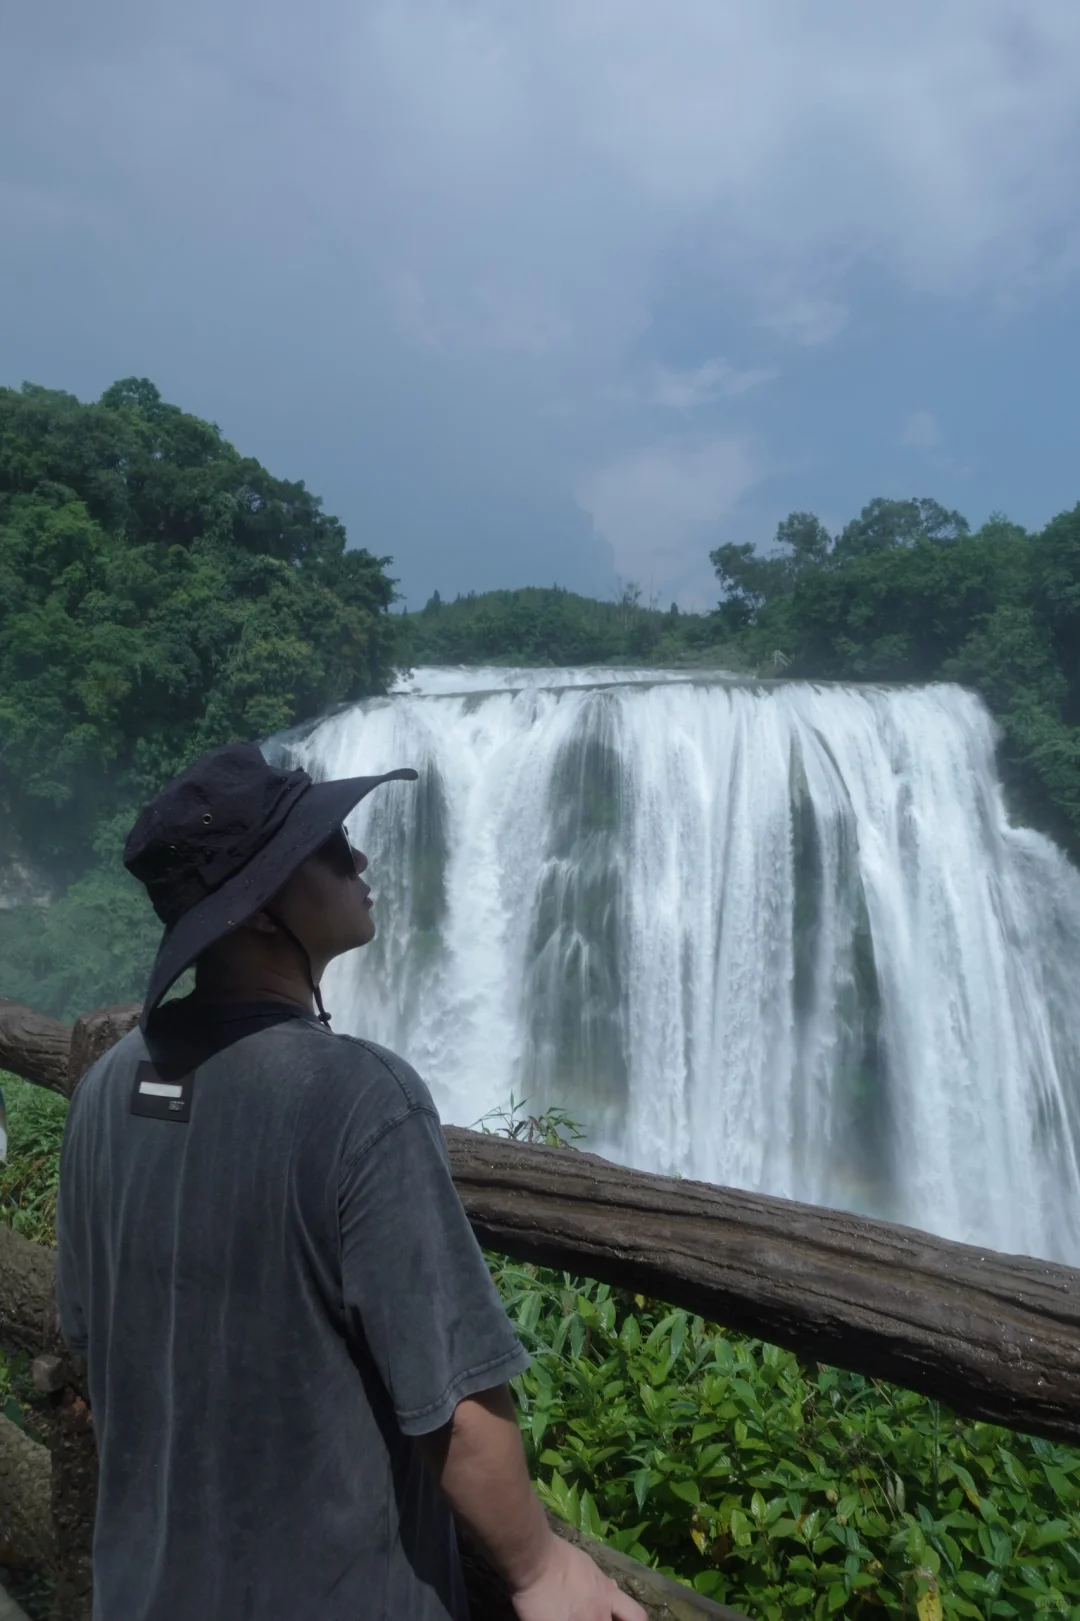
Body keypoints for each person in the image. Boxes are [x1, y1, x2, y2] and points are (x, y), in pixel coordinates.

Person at [53, 741, 646, 1621]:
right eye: (330, 845)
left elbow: (92, 1350)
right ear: (258, 910)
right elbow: (455, 1401)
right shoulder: (360, 1097)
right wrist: (538, 1567)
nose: (360, 857)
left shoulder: (108, 1089)